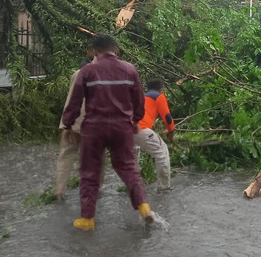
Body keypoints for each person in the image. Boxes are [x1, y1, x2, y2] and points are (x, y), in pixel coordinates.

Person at [62, 34, 154, 230]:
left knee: (89, 172)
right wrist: (136, 120)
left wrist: (68, 125)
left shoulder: (87, 71)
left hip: (94, 128)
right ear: (116, 50)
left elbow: (75, 102)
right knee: (128, 167)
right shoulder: (130, 70)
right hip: (122, 127)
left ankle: (87, 219)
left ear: (95, 51)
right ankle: (144, 207)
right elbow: (139, 100)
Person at [54, 47, 97, 200]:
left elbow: (71, 101)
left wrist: (66, 125)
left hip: (75, 123)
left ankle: (59, 191)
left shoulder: (78, 74)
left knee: (66, 155)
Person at [134, 78, 175, 192]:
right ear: (161, 89)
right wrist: (171, 131)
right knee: (162, 152)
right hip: (140, 129)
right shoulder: (158, 96)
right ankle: (164, 187)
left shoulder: (141, 96)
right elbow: (167, 117)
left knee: (133, 156)